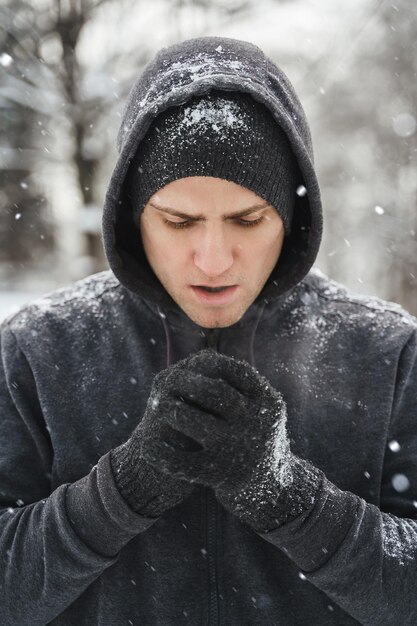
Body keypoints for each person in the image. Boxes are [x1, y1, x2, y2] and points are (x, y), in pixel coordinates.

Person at [0, 35, 416, 626]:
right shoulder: (39, 349)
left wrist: (292, 500)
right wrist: (118, 494)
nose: (214, 259)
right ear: (130, 215)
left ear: (293, 216)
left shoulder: (387, 352)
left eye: (248, 219)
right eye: (179, 221)